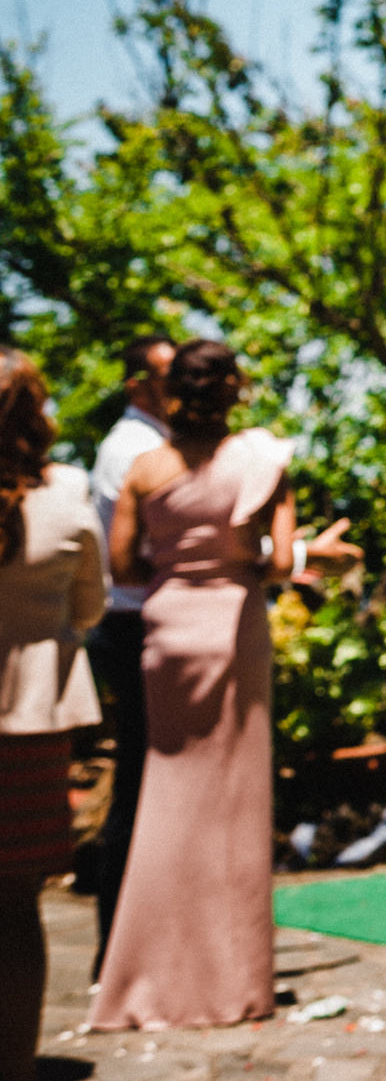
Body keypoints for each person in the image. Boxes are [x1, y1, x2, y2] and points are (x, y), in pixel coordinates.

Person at [87, 340, 295, 1031]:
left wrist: (179, 566)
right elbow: (284, 563)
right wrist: (237, 563)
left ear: (171, 388)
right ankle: (235, 985)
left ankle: (143, 979)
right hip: (233, 626)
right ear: (234, 387)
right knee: (235, 804)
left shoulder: (146, 467)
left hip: (168, 629)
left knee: (164, 799)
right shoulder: (264, 460)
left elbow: (121, 567)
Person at [0, 351, 104, 1081]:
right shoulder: (68, 491)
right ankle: (12, 1063)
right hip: (33, 715)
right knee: (14, 901)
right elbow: (90, 606)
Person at [82, 331, 170, 973]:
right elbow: (129, 565)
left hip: (152, 625)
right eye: (172, 378)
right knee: (138, 783)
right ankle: (115, 946)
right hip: (134, 628)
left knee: (154, 785)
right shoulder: (131, 451)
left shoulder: (157, 446)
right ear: (138, 384)